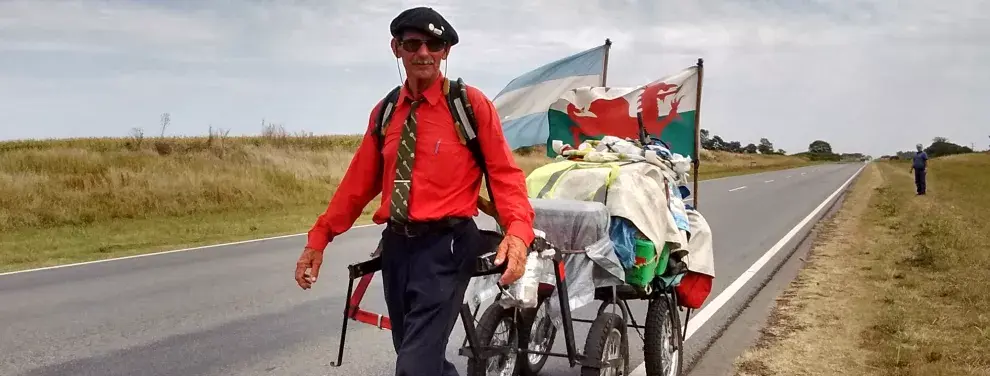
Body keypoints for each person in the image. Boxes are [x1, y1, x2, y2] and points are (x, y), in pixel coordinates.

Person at [293, 6, 535, 376]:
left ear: (445, 51)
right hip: (398, 250)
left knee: (414, 366)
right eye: (413, 43)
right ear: (397, 48)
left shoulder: (468, 106)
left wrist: (517, 234)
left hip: (448, 247)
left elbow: (505, 176)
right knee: (421, 359)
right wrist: (319, 238)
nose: (424, 53)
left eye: (434, 44)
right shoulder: (386, 111)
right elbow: (357, 185)